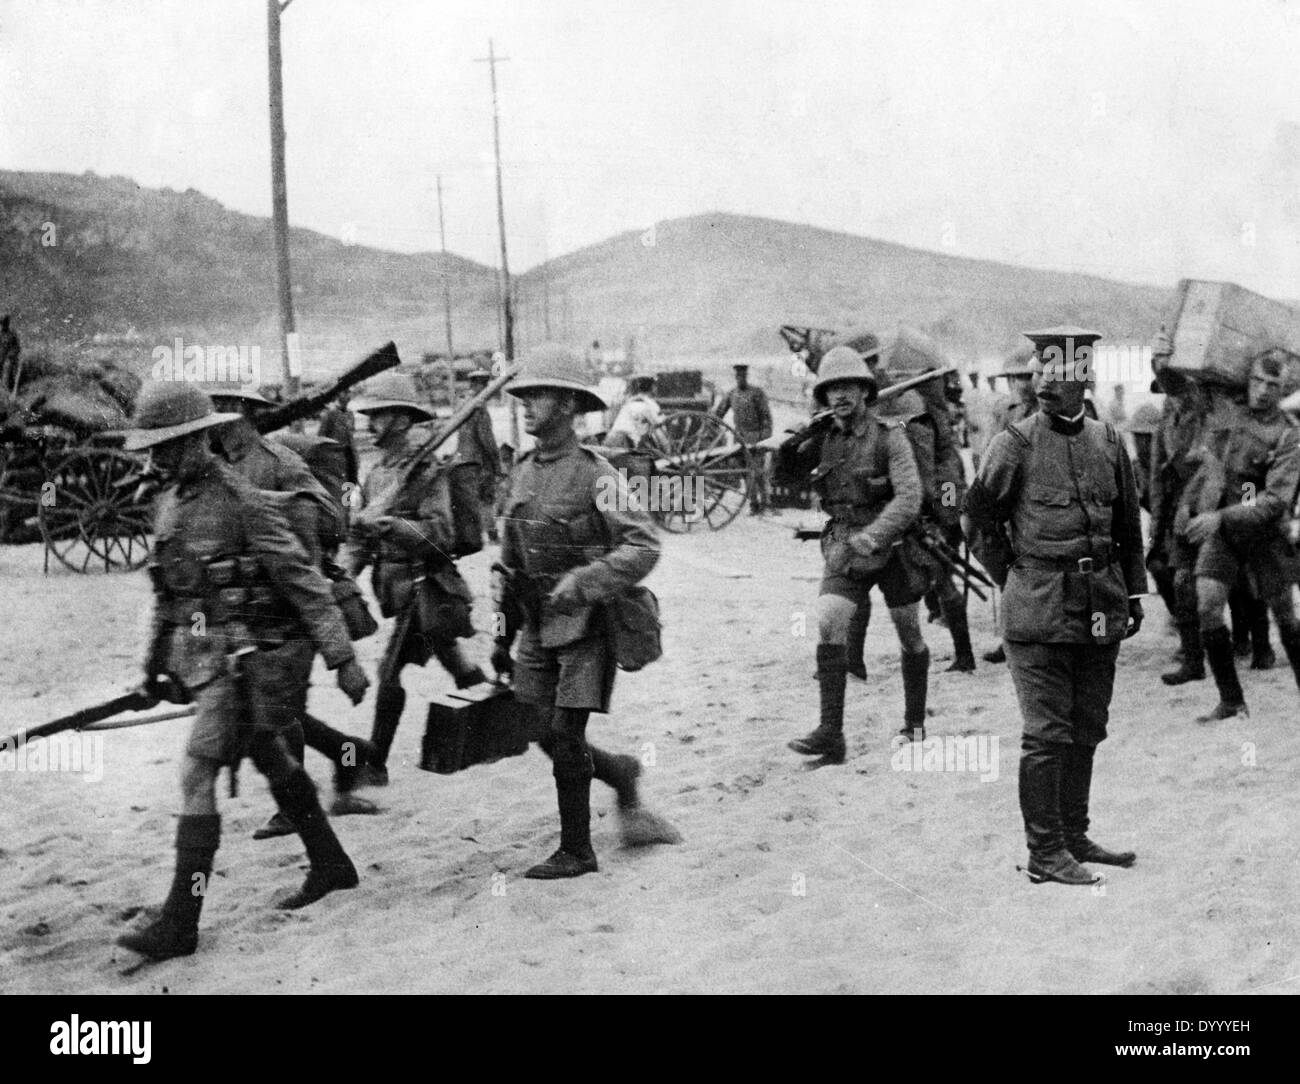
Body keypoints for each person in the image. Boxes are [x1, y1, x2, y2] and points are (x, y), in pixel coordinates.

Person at [116, 382, 369, 960]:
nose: (157, 459)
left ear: (200, 438)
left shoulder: (244, 500)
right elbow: (168, 593)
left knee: (196, 773)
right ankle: (330, 862)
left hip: (245, 662)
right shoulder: (168, 502)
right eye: (152, 448)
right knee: (268, 751)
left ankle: (181, 919)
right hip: (203, 661)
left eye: (169, 446)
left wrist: (343, 658)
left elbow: (302, 579)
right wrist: (151, 667)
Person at [965, 326, 1145, 886]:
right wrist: (1017, 578)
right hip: (1037, 612)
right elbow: (977, 520)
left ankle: (1073, 835)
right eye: (1041, 370)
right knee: (1046, 733)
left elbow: (1126, 529)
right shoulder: (1013, 444)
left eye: (1061, 372)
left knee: (1088, 724)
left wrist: (1133, 593)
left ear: (1084, 379)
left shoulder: (1111, 442)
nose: (1046, 381)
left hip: (1100, 606)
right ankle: (1044, 854)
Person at [493, 343, 681, 878]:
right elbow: (508, 562)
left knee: (568, 734)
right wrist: (500, 635)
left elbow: (643, 545)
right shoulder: (522, 471)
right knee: (537, 728)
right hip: (535, 623)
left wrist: (585, 581)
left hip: (587, 624)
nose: (527, 406)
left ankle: (578, 850)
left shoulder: (596, 473)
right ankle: (621, 774)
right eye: (524, 397)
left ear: (571, 406)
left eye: (540, 396)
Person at [204, 381, 379, 832]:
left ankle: (296, 805)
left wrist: (262, 507)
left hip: (292, 600)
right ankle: (349, 753)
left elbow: (326, 521)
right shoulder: (219, 466)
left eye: (225, 406)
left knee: (278, 705)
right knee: (273, 704)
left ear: (244, 410)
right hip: (247, 605)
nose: (218, 415)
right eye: (213, 407)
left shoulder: (280, 461)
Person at [781, 345, 930, 764]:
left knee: (909, 635)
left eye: (849, 387)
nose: (841, 396)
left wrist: (877, 535)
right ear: (824, 396)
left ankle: (915, 722)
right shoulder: (822, 438)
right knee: (829, 620)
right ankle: (832, 734)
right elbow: (788, 480)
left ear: (865, 392)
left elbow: (909, 497)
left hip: (895, 546)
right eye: (832, 389)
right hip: (845, 543)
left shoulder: (889, 436)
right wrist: (791, 447)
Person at [343, 372, 486, 786]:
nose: (370, 421)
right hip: (398, 588)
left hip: (426, 585)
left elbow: (440, 533)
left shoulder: (426, 471)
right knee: (454, 661)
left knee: (390, 674)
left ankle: (374, 765)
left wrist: (393, 528)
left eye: (380, 414)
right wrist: (343, 577)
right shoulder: (377, 474)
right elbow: (360, 539)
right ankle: (505, 716)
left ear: (404, 420)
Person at [1182, 350, 1300, 721]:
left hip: (1264, 535)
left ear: (1286, 389)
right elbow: (1181, 385)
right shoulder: (1229, 412)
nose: (1263, 391)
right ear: (1246, 380)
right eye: (1257, 381)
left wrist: (1219, 517)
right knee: (1208, 605)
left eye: (1273, 385)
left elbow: (1275, 501)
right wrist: (1164, 353)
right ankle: (1231, 700)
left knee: (1284, 616)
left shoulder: (1289, 436)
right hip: (1226, 531)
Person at [977, 350, 1041, 664]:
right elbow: (989, 450)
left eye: (1026, 376)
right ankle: (1012, 636)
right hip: (1005, 496)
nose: (1021, 383)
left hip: (1039, 498)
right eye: (1015, 377)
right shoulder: (1004, 410)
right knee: (1000, 560)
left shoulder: (1053, 408)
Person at [713, 363, 774, 514]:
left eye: (743, 376)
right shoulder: (732, 394)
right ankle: (754, 504)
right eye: (738, 376)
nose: (740, 379)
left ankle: (766, 503)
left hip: (756, 438)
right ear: (735, 377)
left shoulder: (757, 393)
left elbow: (766, 418)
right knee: (746, 473)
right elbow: (718, 414)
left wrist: (764, 439)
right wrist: (711, 427)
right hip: (739, 438)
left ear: (747, 376)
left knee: (757, 472)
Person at [456, 369, 504, 544]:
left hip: (463, 461)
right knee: (487, 499)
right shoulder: (480, 408)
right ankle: (492, 536)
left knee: (469, 501)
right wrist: (498, 465)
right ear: (481, 386)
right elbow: (487, 441)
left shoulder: (463, 405)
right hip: (480, 463)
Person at [605, 374, 663, 449]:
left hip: (611, 438)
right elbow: (658, 424)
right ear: (652, 388)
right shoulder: (650, 404)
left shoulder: (629, 403)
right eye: (655, 386)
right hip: (626, 443)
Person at [317, 388, 359, 486]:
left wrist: (355, 458)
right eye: (345, 392)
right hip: (334, 457)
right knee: (337, 486)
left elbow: (351, 436)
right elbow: (320, 438)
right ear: (338, 394)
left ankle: (346, 500)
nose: (348, 396)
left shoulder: (350, 414)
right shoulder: (330, 414)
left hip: (349, 456)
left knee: (350, 485)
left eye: (349, 392)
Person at [0, 314, 20, 394]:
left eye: (4, 323)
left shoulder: (12, 334)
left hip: (8, 359)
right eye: (1, 323)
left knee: (7, 367)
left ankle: (5, 390)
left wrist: (10, 355)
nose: (3, 325)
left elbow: (17, 347)